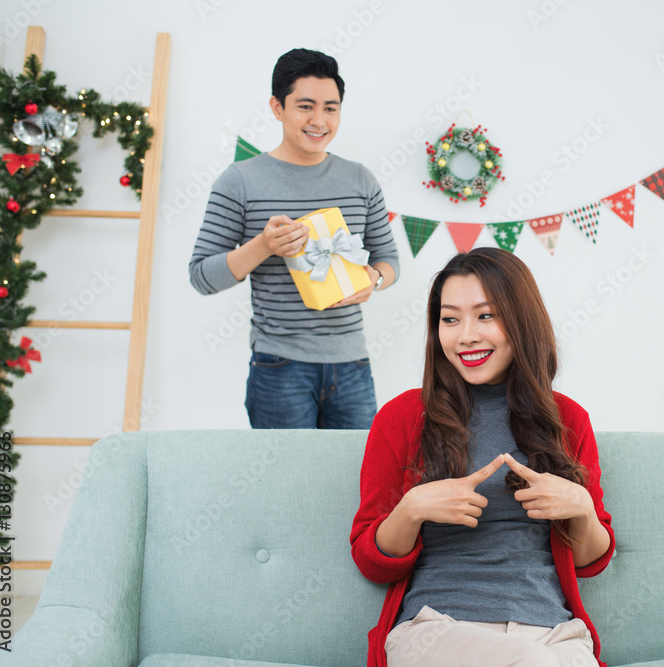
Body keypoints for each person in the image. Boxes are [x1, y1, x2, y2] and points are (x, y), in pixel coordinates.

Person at [350, 248, 615, 667]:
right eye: (450, 319)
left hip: (554, 636)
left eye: (485, 316)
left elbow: (589, 563)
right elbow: (371, 563)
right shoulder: (401, 418)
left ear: (522, 321)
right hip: (437, 631)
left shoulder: (567, 419)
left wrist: (582, 509)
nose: (465, 335)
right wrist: (412, 508)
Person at [189, 48, 399, 430]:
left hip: (352, 364)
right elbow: (201, 276)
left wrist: (375, 278)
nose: (319, 120)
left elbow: (389, 261)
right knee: (285, 487)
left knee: (355, 485)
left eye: (330, 108)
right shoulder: (240, 181)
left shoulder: (360, 179)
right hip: (278, 367)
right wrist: (263, 246)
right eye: (305, 106)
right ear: (277, 107)